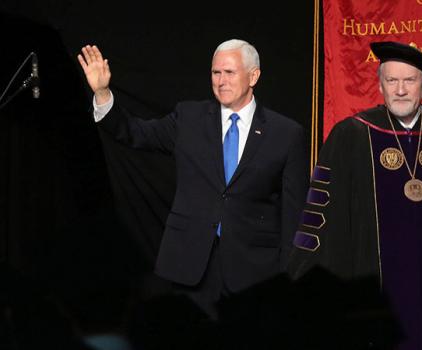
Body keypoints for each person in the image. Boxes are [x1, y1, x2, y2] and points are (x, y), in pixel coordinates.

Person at [288, 41, 422, 350]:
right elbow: (321, 220)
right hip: (369, 295)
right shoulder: (351, 135)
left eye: (409, 80)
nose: (400, 90)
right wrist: (306, 281)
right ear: (380, 84)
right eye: (391, 80)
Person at [77, 39, 308, 319]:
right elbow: (134, 133)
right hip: (190, 267)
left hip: (255, 272)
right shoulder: (189, 118)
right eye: (215, 73)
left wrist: (288, 277)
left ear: (254, 76)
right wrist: (102, 93)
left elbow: (294, 215)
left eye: (229, 73)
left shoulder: (286, 133)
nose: (221, 81)